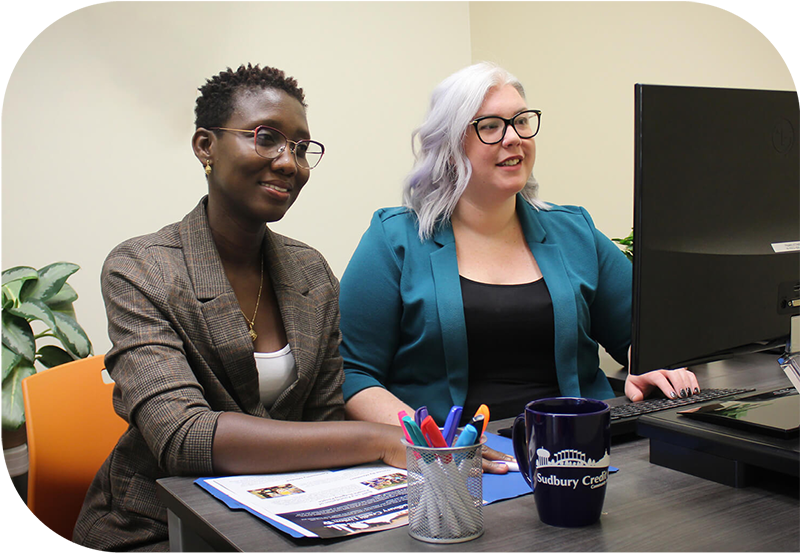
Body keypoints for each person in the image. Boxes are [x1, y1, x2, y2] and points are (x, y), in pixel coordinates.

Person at [73, 64, 405, 552]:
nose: (289, 162)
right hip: (158, 527)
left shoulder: (310, 271)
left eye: (299, 147)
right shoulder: (140, 268)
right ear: (205, 146)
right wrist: (380, 439)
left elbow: (324, 417)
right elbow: (183, 437)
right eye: (266, 137)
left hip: (282, 516)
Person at [339, 62, 699, 470]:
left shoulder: (574, 231)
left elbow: (641, 337)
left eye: (522, 121)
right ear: (450, 146)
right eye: (490, 126)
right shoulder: (394, 240)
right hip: (454, 469)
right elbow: (353, 374)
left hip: (584, 452)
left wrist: (650, 367)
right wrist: (429, 446)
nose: (513, 138)